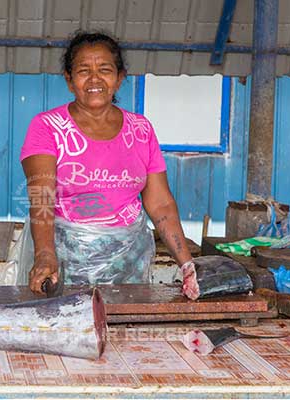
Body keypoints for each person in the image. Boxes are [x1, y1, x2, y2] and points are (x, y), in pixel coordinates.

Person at [20, 30, 193, 295]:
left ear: (120, 77)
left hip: (128, 266)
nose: (94, 79)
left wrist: (187, 265)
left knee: (124, 331)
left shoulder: (141, 129)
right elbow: (42, 196)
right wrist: (45, 255)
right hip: (63, 264)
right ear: (69, 80)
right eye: (83, 71)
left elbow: (160, 204)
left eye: (104, 69)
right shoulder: (47, 127)